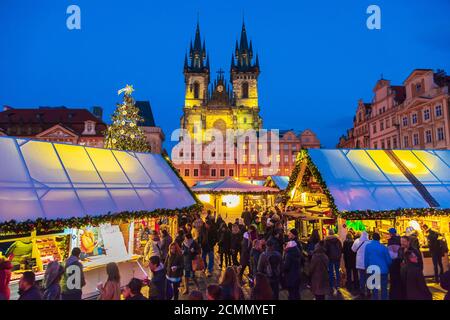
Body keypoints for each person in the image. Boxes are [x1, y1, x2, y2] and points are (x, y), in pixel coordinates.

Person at [364, 233, 392, 300]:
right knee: (384, 288)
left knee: (374, 288)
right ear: (379, 239)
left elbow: (366, 258)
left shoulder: (368, 246)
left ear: (372, 238)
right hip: (383, 270)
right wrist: (389, 267)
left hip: (373, 269)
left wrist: (366, 267)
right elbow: (388, 260)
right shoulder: (384, 247)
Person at [351, 231, 370, 297]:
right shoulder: (369, 242)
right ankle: (368, 292)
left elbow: (353, 250)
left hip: (360, 263)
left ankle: (362, 291)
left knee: (362, 277)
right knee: (368, 278)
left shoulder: (356, 241)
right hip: (368, 263)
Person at [387, 228, 402, 300]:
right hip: (400, 262)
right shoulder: (400, 239)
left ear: (391, 233)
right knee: (399, 278)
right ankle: (400, 294)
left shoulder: (390, 241)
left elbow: (390, 253)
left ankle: (393, 295)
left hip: (393, 262)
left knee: (393, 280)